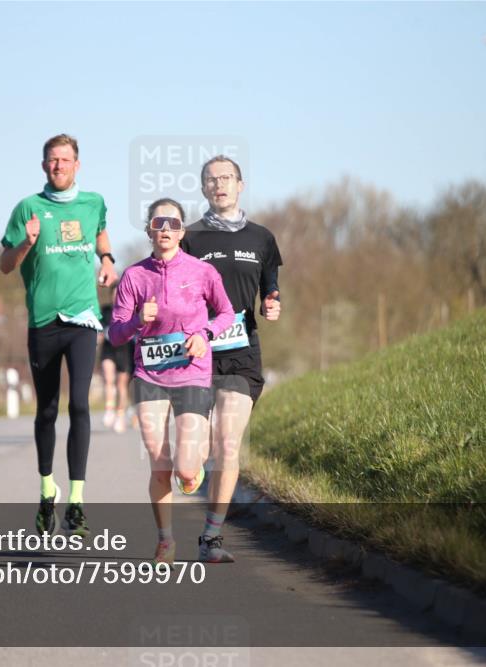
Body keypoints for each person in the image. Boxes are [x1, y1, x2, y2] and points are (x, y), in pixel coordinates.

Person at [0, 134, 118, 537]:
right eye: (52, 160)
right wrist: (25, 243)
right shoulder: (28, 208)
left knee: (80, 404)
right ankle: (47, 488)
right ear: (43, 165)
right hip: (43, 321)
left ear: (77, 165)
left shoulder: (94, 202)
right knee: (47, 409)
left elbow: (100, 231)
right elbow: (4, 264)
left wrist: (107, 259)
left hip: (82, 318)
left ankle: (77, 502)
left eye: (65, 160)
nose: (59, 166)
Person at [108, 198, 234, 564]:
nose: (165, 229)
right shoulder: (134, 276)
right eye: (158, 223)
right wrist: (136, 321)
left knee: (187, 469)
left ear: (182, 232)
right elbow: (114, 334)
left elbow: (226, 313)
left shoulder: (202, 271)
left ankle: (192, 470)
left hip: (192, 372)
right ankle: (166, 540)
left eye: (173, 224)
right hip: (149, 374)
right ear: (149, 229)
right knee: (159, 463)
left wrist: (206, 334)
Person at [179, 156, 282, 563]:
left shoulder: (262, 238)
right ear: (203, 188)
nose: (219, 184)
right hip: (194, 354)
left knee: (227, 442)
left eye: (226, 178)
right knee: (194, 458)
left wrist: (272, 303)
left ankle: (212, 537)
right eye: (211, 179)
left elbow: (270, 286)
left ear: (240, 185)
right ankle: (190, 470)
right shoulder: (190, 239)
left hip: (241, 353)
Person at [98, 288, 134, 433]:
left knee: (121, 384)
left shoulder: (131, 311)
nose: (116, 297)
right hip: (109, 349)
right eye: (114, 294)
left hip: (125, 350)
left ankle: (120, 415)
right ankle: (109, 409)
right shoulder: (105, 311)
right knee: (108, 378)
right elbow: (100, 330)